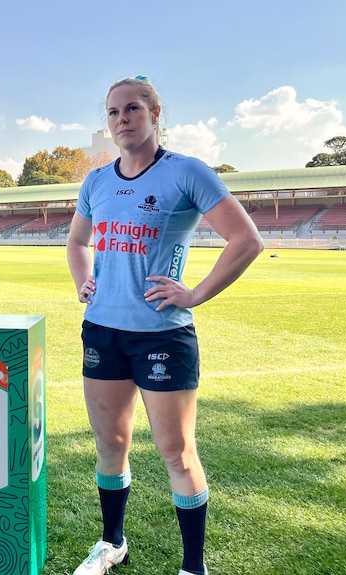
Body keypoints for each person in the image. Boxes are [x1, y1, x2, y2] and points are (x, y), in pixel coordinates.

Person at [66, 77, 264, 575]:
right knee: (110, 444)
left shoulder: (187, 173)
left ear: (156, 113)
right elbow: (76, 243)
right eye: (112, 112)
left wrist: (194, 293)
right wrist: (83, 280)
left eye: (132, 108)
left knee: (175, 452)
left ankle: (192, 568)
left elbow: (246, 240)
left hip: (163, 335)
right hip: (103, 332)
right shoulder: (96, 181)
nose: (121, 119)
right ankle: (112, 543)